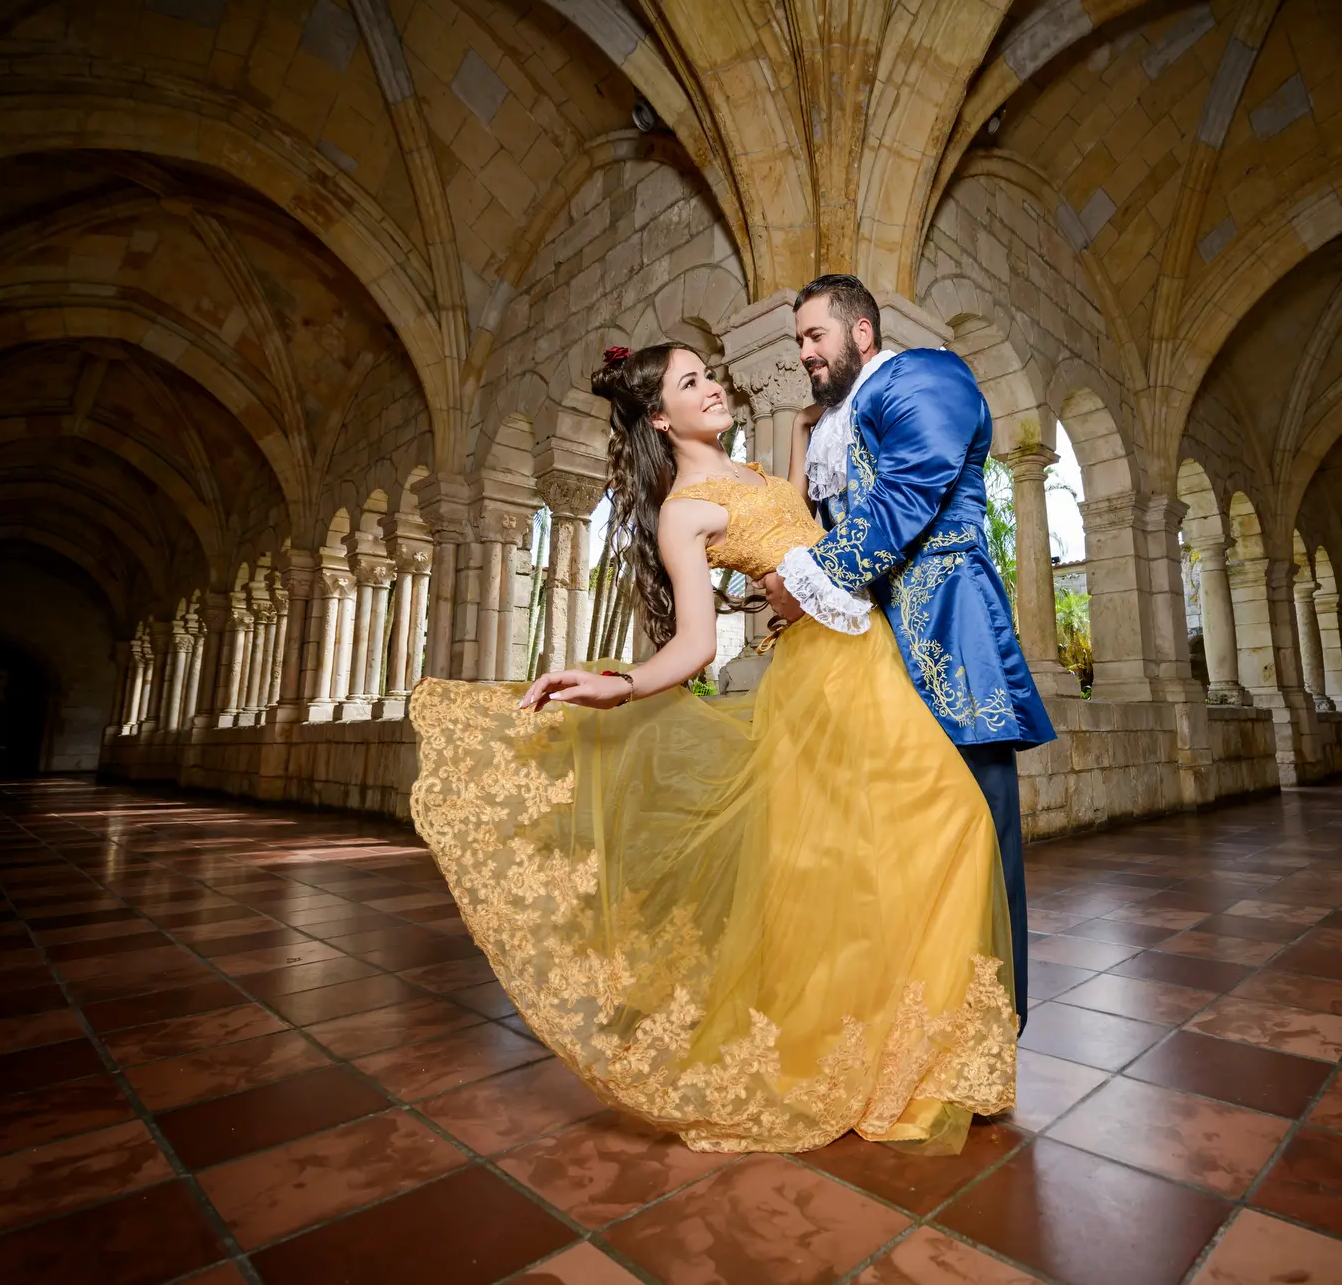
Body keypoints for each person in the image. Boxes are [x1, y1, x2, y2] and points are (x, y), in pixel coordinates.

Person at [410, 342, 1017, 1156]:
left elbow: (798, 523)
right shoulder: (682, 511)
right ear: (661, 415)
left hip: (873, 658)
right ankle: (864, 1057)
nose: (713, 387)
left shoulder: (758, 474)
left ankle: (905, 1054)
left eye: (709, 374)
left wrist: (810, 425)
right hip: (825, 688)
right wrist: (618, 685)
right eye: (691, 382)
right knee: (928, 832)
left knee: (899, 850)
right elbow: (695, 644)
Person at [767, 275, 1055, 1023]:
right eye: (798, 341)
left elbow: (904, 500)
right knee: (892, 849)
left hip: (949, 639)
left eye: (814, 336)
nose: (804, 353)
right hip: (871, 657)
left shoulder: (926, 376)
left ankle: (987, 1028)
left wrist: (806, 583)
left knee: (979, 846)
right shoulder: (839, 421)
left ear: (861, 333)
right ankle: (910, 1027)